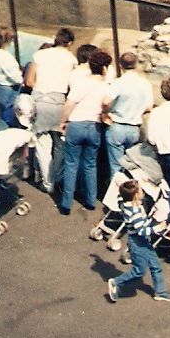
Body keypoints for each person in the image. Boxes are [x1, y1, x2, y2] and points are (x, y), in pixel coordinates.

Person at [57, 49, 112, 215]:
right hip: (94, 126)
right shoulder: (106, 86)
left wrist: (63, 121)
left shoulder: (82, 82)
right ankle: (90, 201)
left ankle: (66, 203)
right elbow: (107, 105)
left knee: (71, 164)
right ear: (104, 69)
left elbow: (69, 104)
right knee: (90, 164)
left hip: (76, 124)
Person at [106, 179, 170, 304]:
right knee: (139, 271)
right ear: (135, 196)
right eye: (141, 191)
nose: (143, 192)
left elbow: (120, 197)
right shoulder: (135, 212)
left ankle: (160, 292)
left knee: (155, 266)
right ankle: (116, 282)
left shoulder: (124, 203)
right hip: (138, 242)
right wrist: (158, 228)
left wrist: (122, 188)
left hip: (141, 242)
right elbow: (142, 231)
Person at [25, 28, 77, 194]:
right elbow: (73, 86)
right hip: (59, 101)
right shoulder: (71, 59)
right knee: (60, 144)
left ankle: (48, 183)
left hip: (39, 100)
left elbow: (29, 81)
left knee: (42, 144)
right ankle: (58, 177)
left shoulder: (39, 55)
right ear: (69, 43)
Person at [102, 52, 155, 178]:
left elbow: (105, 101)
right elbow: (149, 107)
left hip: (117, 126)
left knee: (116, 166)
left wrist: (105, 113)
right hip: (135, 127)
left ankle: (117, 194)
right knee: (133, 165)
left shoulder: (118, 83)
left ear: (120, 65)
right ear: (136, 64)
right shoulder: (145, 83)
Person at [0, 26, 23, 132]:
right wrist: (22, 80)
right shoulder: (4, 56)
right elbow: (13, 75)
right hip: (7, 89)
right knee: (5, 117)